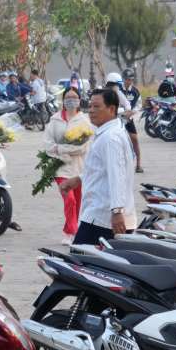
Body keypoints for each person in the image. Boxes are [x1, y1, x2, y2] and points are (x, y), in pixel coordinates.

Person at [58, 88, 136, 245]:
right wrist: (79, 179)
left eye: (96, 107)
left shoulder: (110, 138)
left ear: (112, 109)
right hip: (102, 215)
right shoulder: (110, 132)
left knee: (79, 262)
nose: (91, 111)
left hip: (103, 218)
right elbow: (103, 169)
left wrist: (117, 212)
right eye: (90, 106)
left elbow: (117, 175)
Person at [45, 87, 91, 243]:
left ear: (79, 100)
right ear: (63, 100)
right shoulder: (55, 119)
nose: (71, 100)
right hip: (60, 168)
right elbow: (48, 144)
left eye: (74, 97)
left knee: (77, 202)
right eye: (68, 97)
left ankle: (68, 232)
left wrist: (61, 148)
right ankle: (74, 231)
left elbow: (83, 147)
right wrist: (62, 150)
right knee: (69, 200)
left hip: (79, 168)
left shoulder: (84, 121)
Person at [122, 70, 144, 172]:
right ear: (123, 79)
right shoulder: (117, 90)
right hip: (117, 119)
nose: (129, 81)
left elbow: (139, 105)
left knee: (134, 138)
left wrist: (132, 112)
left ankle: (138, 164)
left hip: (129, 119)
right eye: (127, 79)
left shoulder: (135, 92)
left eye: (131, 79)